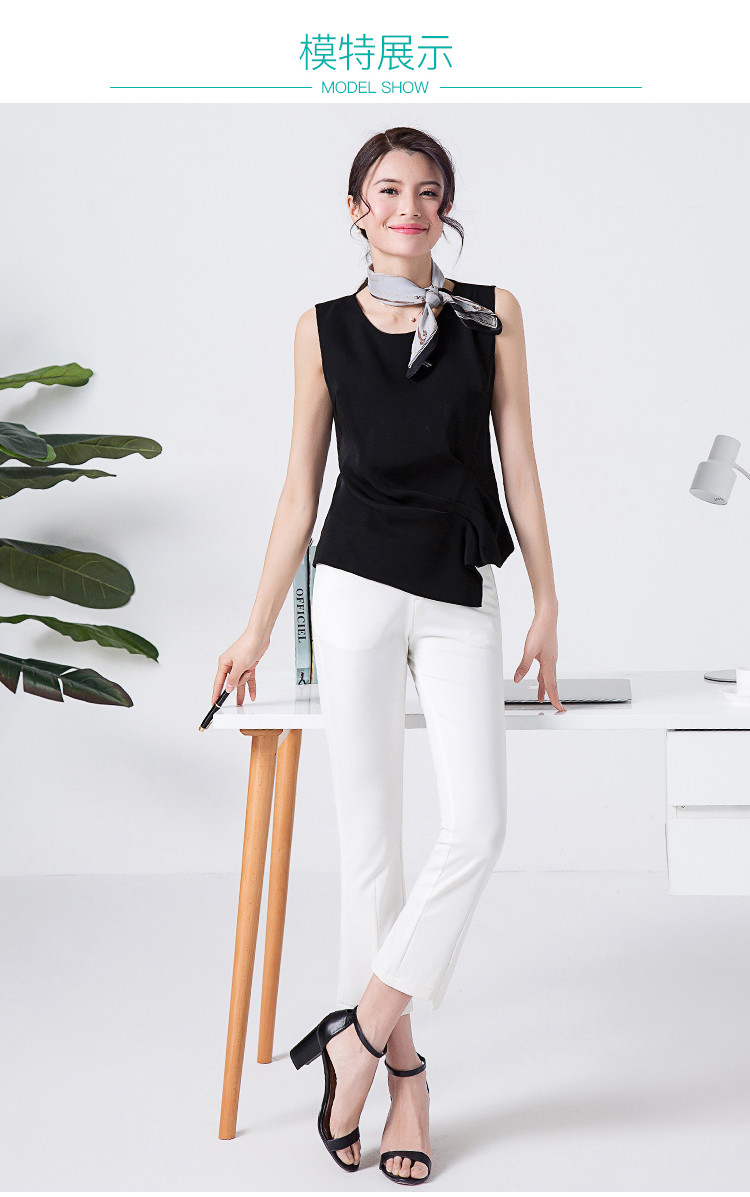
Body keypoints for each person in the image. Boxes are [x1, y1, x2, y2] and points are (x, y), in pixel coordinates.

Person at [212, 126, 566, 1185]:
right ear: (357, 209)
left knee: (477, 825)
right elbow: (298, 491)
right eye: (388, 189)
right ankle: (405, 1077)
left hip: (459, 584)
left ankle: (354, 1035)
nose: (409, 206)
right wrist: (255, 626)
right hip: (356, 586)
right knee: (370, 844)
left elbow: (521, 466)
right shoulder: (320, 329)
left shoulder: (493, 314)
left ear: (445, 209)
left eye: (428, 191)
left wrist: (548, 600)